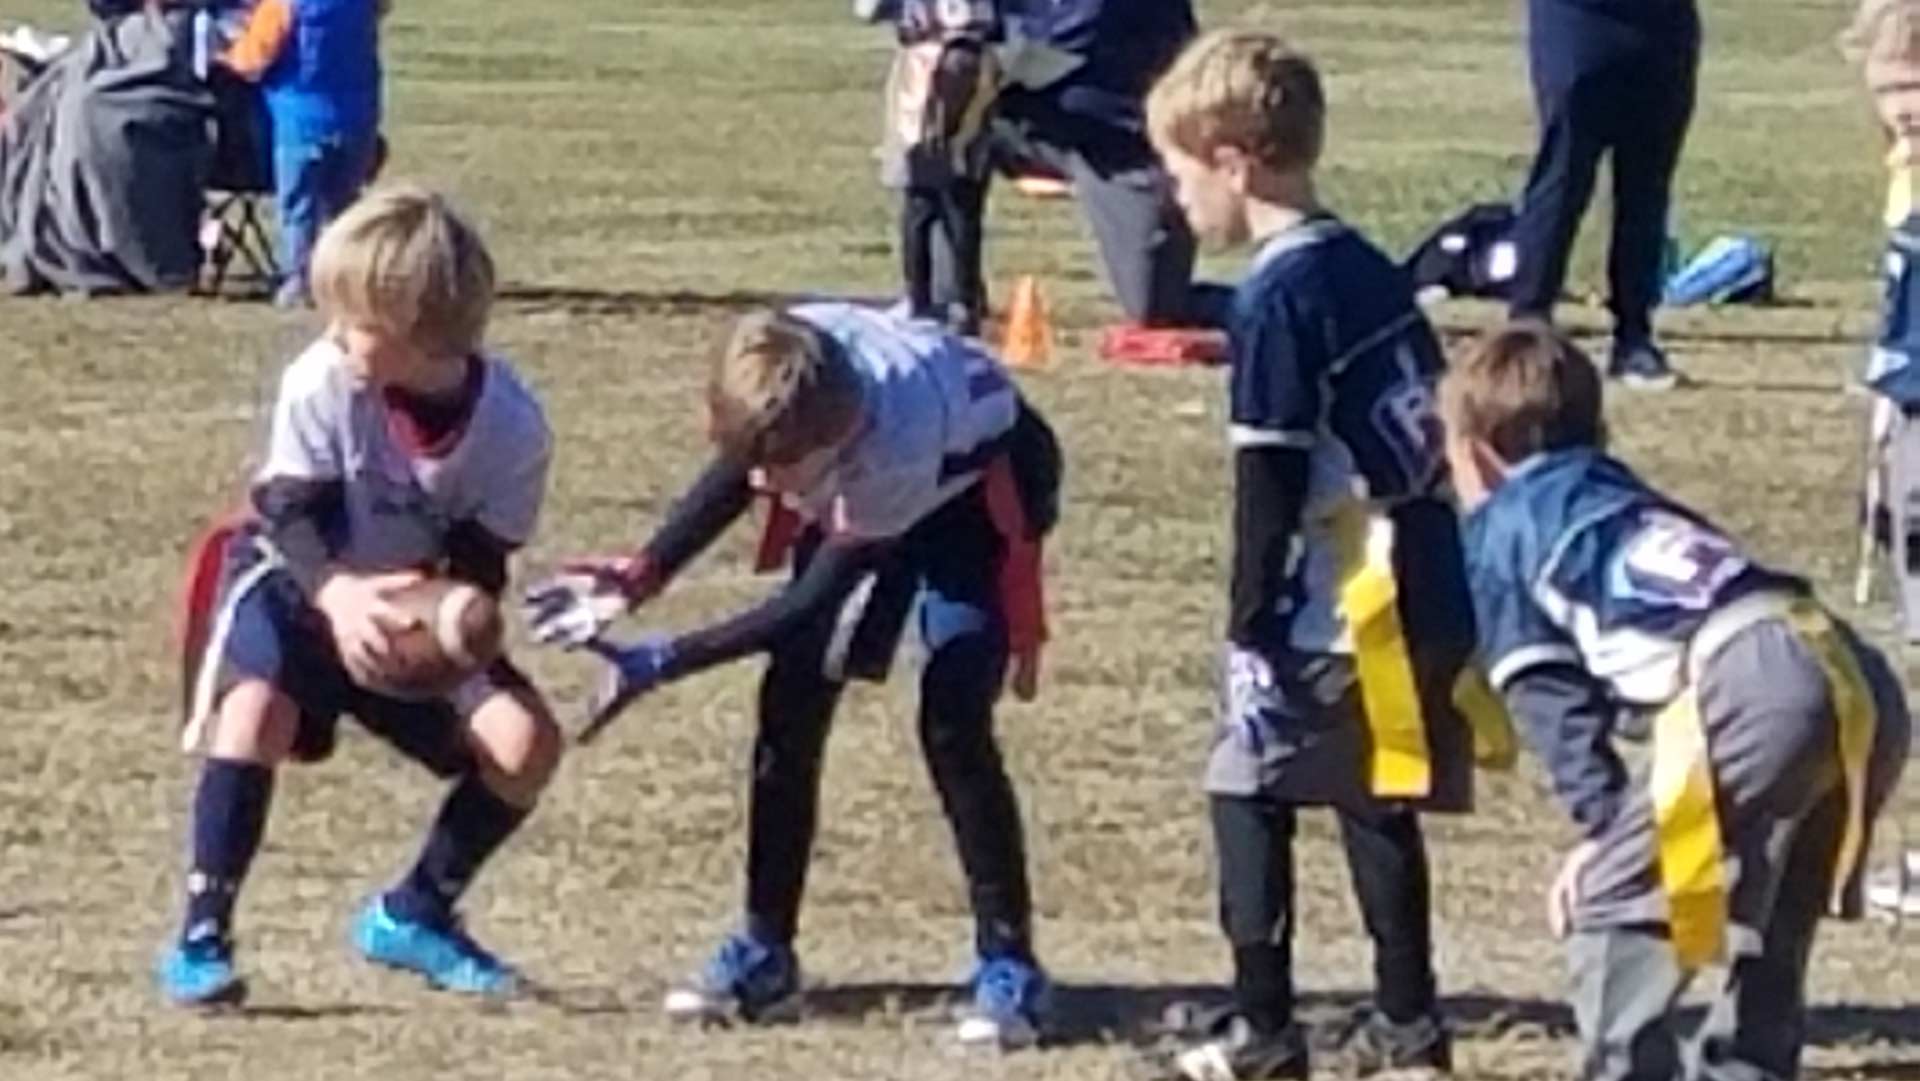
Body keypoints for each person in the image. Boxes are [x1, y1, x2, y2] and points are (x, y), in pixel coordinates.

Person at [524, 302, 1061, 1048]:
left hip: (976, 498)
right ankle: (765, 947)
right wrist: (644, 570)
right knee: (791, 702)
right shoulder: (787, 358)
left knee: (953, 712)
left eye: (780, 470)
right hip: (880, 462)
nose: (764, 483)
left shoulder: (893, 443)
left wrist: (661, 659)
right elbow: (746, 460)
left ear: (834, 437)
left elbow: (807, 602)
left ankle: (1012, 964)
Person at [1142, 30, 1482, 1080]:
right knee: (1375, 793)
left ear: (1235, 158)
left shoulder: (1279, 295)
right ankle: (1411, 1024)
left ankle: (1263, 1028)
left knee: (1244, 783)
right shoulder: (1365, 264)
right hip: (1427, 570)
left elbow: (1271, 480)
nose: (1175, 199)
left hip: (1342, 593)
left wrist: (1248, 618)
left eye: (1179, 171)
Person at [1441, 321, 1909, 1081]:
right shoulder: (1621, 495)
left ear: (1481, 453)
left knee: (1613, 900)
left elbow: (1548, 695)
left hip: (1760, 682)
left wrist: (1602, 834)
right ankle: (1750, 1064)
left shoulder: (1502, 524)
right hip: (1849, 667)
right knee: (1768, 902)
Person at [158, 186, 559, 1006]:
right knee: (258, 709)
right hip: (292, 578)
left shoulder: (513, 427)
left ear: (420, 337)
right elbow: (286, 510)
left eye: (356, 320)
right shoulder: (324, 379)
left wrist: (442, 626)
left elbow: (480, 565)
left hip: (403, 595)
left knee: (525, 743)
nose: (334, 334)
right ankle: (204, 930)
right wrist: (338, 596)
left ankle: (416, 911)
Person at [1507, 0, 1701, 390]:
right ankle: (1528, 328)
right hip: (1581, 21)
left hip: (1664, 22)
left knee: (1647, 187)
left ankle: (1634, 337)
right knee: (1563, 178)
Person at [219, 0, 381, 308]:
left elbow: (252, 59)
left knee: (299, 207)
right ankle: (349, 280)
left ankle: (299, 280)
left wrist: (226, 55)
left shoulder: (283, 5)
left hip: (300, 120)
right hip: (358, 119)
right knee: (344, 206)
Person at [860, 0, 1000, 334]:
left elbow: (869, 10)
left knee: (923, 194)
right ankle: (963, 299)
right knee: (962, 186)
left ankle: (924, 300)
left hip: (928, 63)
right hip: (973, 56)